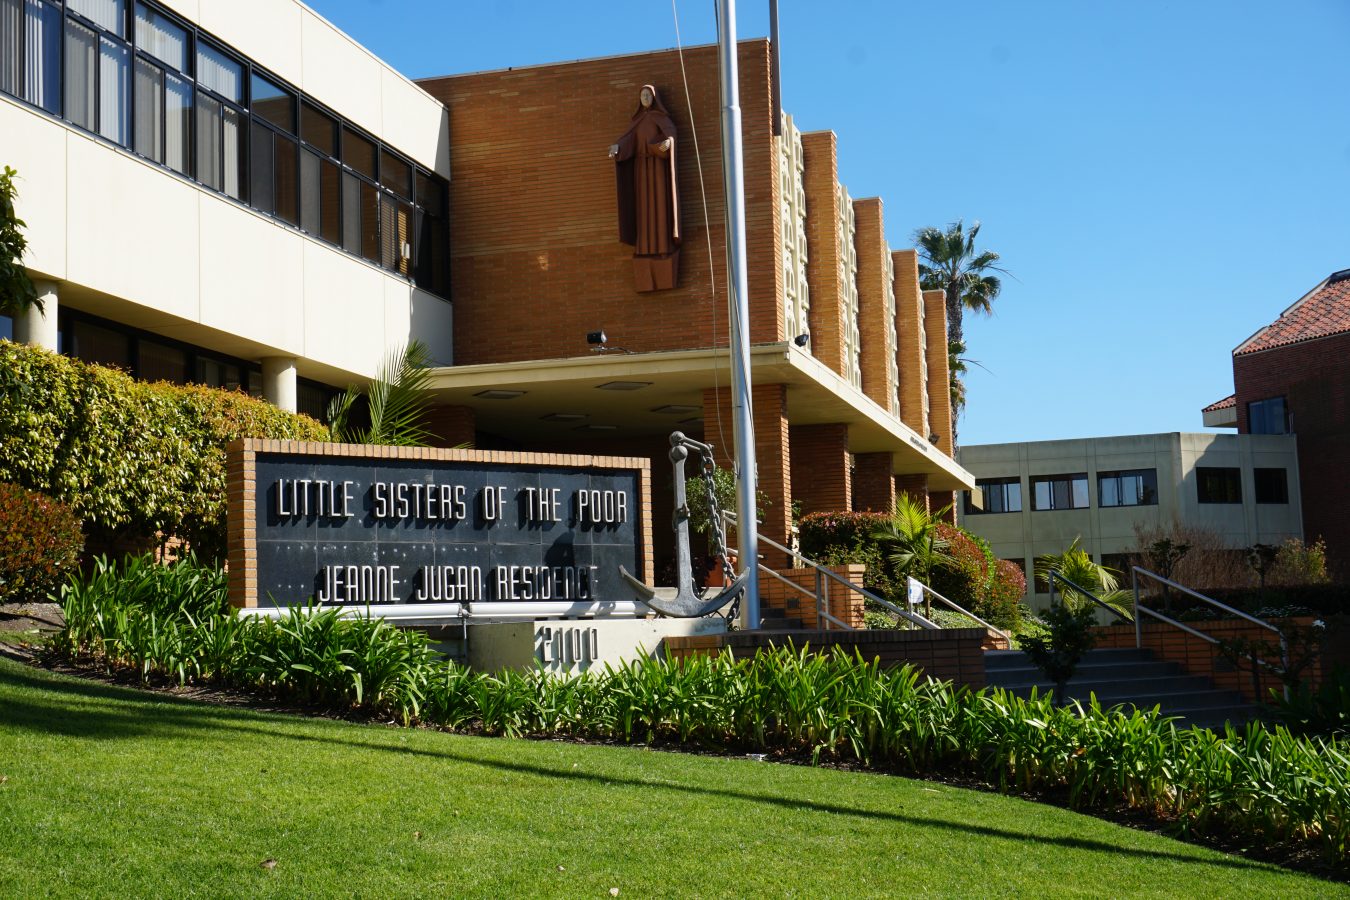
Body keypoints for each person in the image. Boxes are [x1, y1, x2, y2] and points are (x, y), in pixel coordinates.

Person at [609, 85, 681, 292]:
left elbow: (671, 135)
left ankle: (662, 249)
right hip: (641, 171)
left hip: (658, 170)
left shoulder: (661, 118)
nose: (645, 98)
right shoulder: (638, 120)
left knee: (659, 207)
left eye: (648, 95)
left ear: (654, 98)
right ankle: (645, 249)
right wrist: (617, 148)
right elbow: (628, 140)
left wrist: (668, 143)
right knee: (644, 211)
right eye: (642, 96)